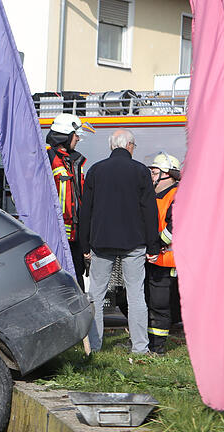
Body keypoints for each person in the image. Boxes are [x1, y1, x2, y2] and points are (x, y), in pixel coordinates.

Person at [78, 128, 159, 354]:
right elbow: (149, 211)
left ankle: (93, 346)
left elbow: (86, 211)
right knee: (136, 295)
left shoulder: (96, 170)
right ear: (130, 146)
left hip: (101, 242)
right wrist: (153, 245)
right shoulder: (140, 171)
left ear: (112, 146)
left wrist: (85, 245)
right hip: (134, 242)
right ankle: (140, 347)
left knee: (96, 295)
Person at [46, 113, 94, 290]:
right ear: (65, 136)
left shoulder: (74, 161)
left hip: (75, 235)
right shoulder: (48, 159)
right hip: (56, 235)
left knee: (77, 277)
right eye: (76, 135)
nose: (78, 138)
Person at [146, 152, 181, 355]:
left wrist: (156, 244)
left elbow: (173, 227)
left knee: (160, 304)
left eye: (155, 172)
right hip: (153, 257)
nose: (151, 175)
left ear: (168, 175)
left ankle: (157, 347)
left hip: (167, 259)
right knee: (150, 301)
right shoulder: (154, 195)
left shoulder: (177, 195)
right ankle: (149, 342)